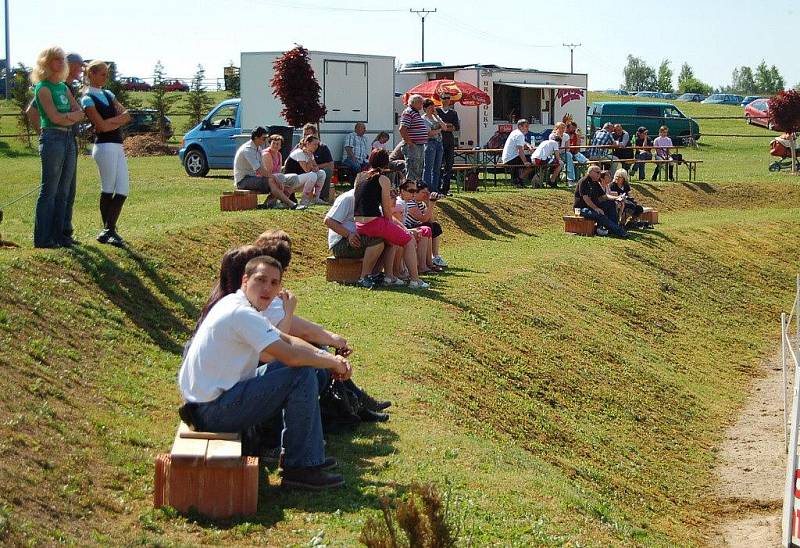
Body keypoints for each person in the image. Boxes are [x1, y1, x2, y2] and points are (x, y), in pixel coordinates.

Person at [178, 254, 351, 489]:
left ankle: (300, 457)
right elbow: (289, 355)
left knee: (303, 367)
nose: (267, 288)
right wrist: (333, 363)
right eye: (260, 280)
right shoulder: (241, 313)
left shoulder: (239, 305)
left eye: (274, 283)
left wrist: (329, 358)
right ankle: (301, 467)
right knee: (298, 373)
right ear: (244, 281)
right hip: (211, 410)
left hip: (211, 401)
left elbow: (287, 340)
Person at [30, 46, 85, 248]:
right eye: (56, 59)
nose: (61, 63)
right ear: (46, 62)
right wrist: (70, 117)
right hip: (52, 139)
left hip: (68, 138)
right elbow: (53, 118)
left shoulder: (62, 87)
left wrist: (67, 118)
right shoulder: (43, 88)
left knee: (64, 191)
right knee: (49, 190)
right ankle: (43, 238)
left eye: (62, 59)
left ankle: (60, 235)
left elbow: (79, 111)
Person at [354, 149, 429, 289]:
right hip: (374, 222)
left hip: (359, 223)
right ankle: (415, 280)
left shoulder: (359, 176)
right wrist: (393, 224)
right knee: (408, 239)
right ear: (386, 162)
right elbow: (386, 207)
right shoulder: (383, 179)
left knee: (391, 241)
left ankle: (389, 277)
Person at [80, 60, 132, 247]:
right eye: (102, 74)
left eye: (106, 74)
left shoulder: (108, 94)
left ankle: (109, 228)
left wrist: (109, 122)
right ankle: (108, 229)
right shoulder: (87, 98)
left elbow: (126, 115)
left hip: (117, 145)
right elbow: (99, 125)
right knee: (108, 188)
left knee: (123, 189)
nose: (105, 78)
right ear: (91, 74)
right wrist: (113, 122)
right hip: (104, 146)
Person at [324, 187, 386, 289]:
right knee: (377, 240)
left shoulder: (370, 199)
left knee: (389, 238)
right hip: (341, 243)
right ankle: (364, 277)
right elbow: (328, 221)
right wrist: (348, 235)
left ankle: (381, 275)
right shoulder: (348, 198)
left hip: (358, 238)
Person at [234, 128, 303, 210]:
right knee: (272, 180)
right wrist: (275, 178)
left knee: (288, 178)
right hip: (243, 181)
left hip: (253, 178)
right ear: (256, 138)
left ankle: (270, 203)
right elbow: (260, 170)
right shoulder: (248, 150)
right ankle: (291, 204)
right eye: (264, 138)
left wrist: (276, 178)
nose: (266, 140)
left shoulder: (258, 148)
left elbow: (262, 168)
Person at [573, 165, 628, 238]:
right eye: (598, 172)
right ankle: (619, 231)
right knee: (599, 214)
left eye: (600, 173)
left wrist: (617, 198)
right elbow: (586, 199)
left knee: (611, 203)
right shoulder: (584, 181)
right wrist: (596, 208)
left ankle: (614, 228)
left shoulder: (595, 182)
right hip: (582, 209)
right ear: (590, 172)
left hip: (592, 207)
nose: (599, 174)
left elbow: (604, 196)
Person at [405, 181, 447, 268]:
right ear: (415, 193)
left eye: (427, 192)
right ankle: (426, 262)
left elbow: (431, 220)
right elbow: (423, 218)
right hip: (407, 227)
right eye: (423, 192)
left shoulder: (420, 203)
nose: (426, 195)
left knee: (435, 226)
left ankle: (435, 256)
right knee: (428, 227)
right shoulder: (410, 203)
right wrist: (431, 204)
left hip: (415, 225)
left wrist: (428, 203)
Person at [260, 134, 305, 209]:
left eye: (277, 144)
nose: (275, 145)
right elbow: (269, 173)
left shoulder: (279, 154)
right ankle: (272, 203)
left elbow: (279, 170)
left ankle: (282, 202)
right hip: (266, 178)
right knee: (280, 177)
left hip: (276, 177)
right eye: (273, 143)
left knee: (294, 177)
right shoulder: (266, 154)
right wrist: (281, 181)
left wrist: (282, 182)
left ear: (280, 146)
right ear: (270, 143)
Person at [284, 135, 327, 206]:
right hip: (291, 181)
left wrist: (312, 162)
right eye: (314, 144)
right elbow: (307, 170)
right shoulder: (299, 152)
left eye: (317, 144)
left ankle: (315, 197)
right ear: (307, 143)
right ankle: (304, 200)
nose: (316, 146)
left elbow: (316, 168)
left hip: (300, 179)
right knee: (312, 175)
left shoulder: (310, 153)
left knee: (322, 173)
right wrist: (310, 159)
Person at [300, 124, 335, 203]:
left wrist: (316, 167)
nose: (306, 136)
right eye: (304, 134)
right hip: (302, 170)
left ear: (315, 135)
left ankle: (322, 197)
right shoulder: (299, 146)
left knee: (327, 171)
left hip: (317, 170)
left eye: (308, 134)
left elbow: (331, 164)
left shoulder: (323, 147)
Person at [399, 95, 428, 183]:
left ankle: (416, 189)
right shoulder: (408, 112)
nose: (422, 105)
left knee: (418, 169)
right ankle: (410, 190)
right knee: (412, 169)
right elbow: (402, 129)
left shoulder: (415, 113)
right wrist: (410, 143)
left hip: (419, 145)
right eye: (420, 102)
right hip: (412, 145)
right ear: (414, 102)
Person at [436, 93, 460, 196]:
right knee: (438, 165)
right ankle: (437, 187)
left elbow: (456, 127)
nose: (446, 100)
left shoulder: (453, 113)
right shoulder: (437, 111)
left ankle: (446, 189)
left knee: (449, 165)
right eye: (444, 98)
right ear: (440, 99)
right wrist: (446, 126)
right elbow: (436, 125)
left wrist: (445, 126)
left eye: (448, 98)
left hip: (450, 141)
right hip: (439, 140)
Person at [421, 99, 445, 194]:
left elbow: (445, 127)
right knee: (428, 167)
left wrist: (436, 116)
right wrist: (438, 131)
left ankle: (435, 189)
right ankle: (427, 189)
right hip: (430, 143)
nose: (432, 109)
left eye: (433, 107)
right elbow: (429, 133)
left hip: (439, 143)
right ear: (425, 108)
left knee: (437, 168)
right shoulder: (423, 119)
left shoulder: (436, 117)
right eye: (430, 108)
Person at [501, 119, 534, 185]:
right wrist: (525, 162)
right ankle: (519, 179)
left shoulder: (515, 132)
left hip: (508, 158)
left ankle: (518, 179)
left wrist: (528, 146)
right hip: (511, 159)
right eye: (526, 126)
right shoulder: (520, 135)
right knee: (533, 162)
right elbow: (520, 150)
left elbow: (524, 143)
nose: (528, 128)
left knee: (530, 160)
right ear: (520, 126)